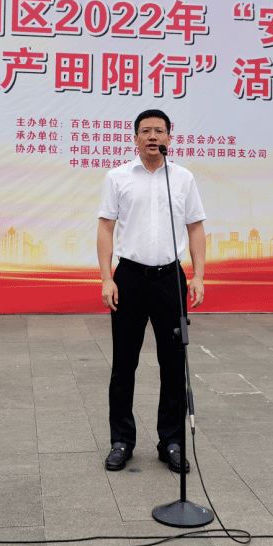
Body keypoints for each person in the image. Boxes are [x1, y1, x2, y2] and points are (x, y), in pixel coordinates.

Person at [97, 109, 206, 473]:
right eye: (146, 131)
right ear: (135, 137)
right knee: (124, 364)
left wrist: (199, 276)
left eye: (159, 131)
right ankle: (121, 441)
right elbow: (105, 229)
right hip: (128, 277)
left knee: (173, 364)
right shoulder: (117, 177)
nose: (152, 137)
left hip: (170, 279)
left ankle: (171, 441)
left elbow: (195, 229)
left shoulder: (183, 178)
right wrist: (105, 278)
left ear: (170, 138)